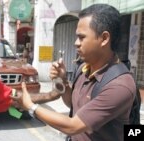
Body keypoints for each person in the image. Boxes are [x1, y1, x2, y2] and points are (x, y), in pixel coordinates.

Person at [12, 4, 136, 141]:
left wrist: (31, 107)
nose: (76, 43)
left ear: (104, 38)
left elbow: (73, 126)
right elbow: (72, 104)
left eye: (82, 37)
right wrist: (62, 80)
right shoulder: (84, 68)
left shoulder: (120, 85)